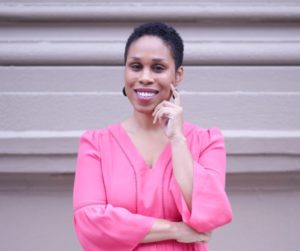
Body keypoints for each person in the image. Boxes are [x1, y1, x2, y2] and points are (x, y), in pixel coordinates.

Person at [73, 22, 232, 251]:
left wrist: (177, 139)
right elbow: (90, 223)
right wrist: (176, 230)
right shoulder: (95, 144)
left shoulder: (207, 142)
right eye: (135, 66)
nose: (145, 77)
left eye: (158, 68)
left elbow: (208, 215)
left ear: (178, 75)